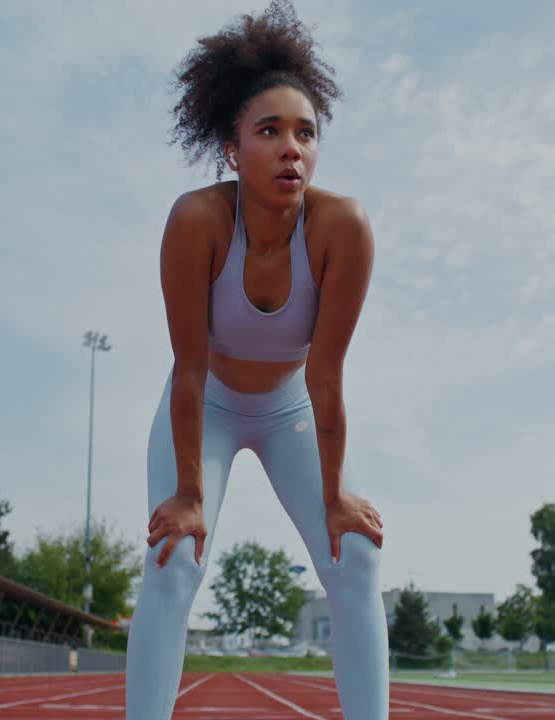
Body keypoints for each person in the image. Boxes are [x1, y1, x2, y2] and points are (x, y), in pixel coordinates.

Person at [125, 1, 388, 717]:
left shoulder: (344, 229)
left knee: (356, 555)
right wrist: (185, 495)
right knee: (174, 560)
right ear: (232, 149)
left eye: (305, 132)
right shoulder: (197, 221)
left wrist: (335, 497)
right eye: (269, 131)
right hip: (204, 402)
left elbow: (326, 376)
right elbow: (187, 369)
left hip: (292, 409)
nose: (291, 148)